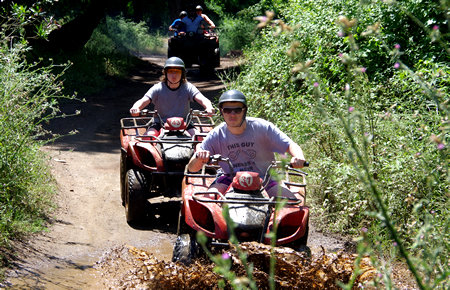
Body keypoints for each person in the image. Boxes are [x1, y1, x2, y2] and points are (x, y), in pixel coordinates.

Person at [187, 89, 306, 198]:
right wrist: (199, 157)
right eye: (227, 110)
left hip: (265, 178)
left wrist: (298, 157)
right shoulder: (217, 134)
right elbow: (192, 168)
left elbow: (290, 145)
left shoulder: (262, 127)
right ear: (221, 112)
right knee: (208, 202)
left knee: (290, 203)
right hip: (229, 178)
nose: (232, 114)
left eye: (237, 110)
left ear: (244, 111)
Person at [129, 57, 214, 136]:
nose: (174, 75)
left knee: (199, 139)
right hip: (160, 123)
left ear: (182, 74)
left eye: (177, 71)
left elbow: (202, 99)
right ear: (165, 73)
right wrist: (136, 107)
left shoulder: (188, 87)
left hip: (185, 123)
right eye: (170, 71)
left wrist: (209, 107)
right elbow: (143, 100)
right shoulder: (158, 88)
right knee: (148, 138)